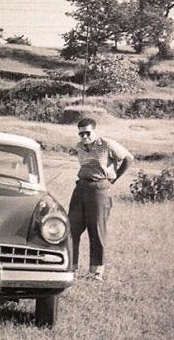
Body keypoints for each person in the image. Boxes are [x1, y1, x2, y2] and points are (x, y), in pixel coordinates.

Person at [68, 117, 134, 281]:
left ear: (95, 131)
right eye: (81, 133)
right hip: (81, 187)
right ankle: (71, 268)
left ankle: (96, 272)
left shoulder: (107, 144)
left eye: (87, 133)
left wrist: (115, 178)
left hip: (99, 189)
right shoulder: (80, 146)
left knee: (96, 230)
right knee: (71, 229)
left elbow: (128, 158)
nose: (84, 137)